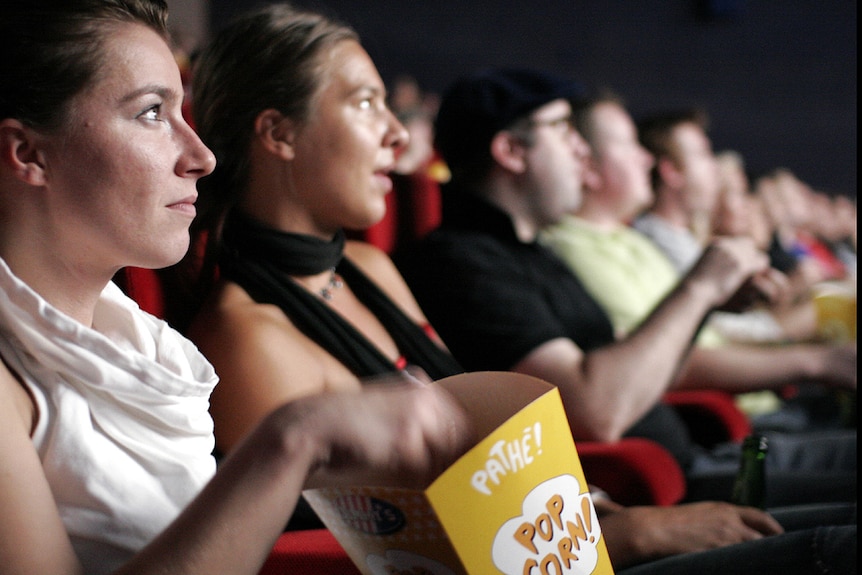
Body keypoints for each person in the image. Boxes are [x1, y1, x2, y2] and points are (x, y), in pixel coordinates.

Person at [179, 7, 854, 573]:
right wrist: (629, 534)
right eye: (365, 103)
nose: (396, 133)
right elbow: (390, 549)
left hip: (570, 538)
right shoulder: (246, 336)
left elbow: (482, 451)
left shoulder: (368, 265)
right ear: (277, 134)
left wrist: (595, 508)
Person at [0, 2, 474, 574]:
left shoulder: (144, 340)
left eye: (183, 112)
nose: (201, 157)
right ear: (29, 154)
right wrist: (294, 440)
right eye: (151, 112)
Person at [395, 67, 856, 507]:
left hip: (690, 464)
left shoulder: (532, 252)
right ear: (512, 151)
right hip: (647, 498)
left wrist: (708, 304)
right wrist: (699, 289)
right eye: (563, 130)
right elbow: (596, 413)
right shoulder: (460, 262)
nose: (581, 151)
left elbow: (635, 365)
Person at [539, 96, 853, 429]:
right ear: (588, 163)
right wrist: (814, 354)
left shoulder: (630, 241)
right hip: (732, 421)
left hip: (757, 405)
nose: (646, 158)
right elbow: (662, 361)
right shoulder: (571, 248)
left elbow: (696, 340)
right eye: (628, 144)